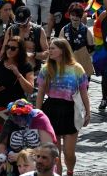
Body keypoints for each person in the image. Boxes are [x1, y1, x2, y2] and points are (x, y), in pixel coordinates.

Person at [35, 38, 90, 176]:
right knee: (54, 152)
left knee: (69, 152)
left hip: (70, 110)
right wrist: (38, 112)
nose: (50, 51)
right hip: (51, 108)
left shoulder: (77, 68)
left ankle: (70, 171)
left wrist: (88, 112)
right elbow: (40, 91)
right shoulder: (46, 68)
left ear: (62, 50)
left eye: (53, 48)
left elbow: (84, 92)